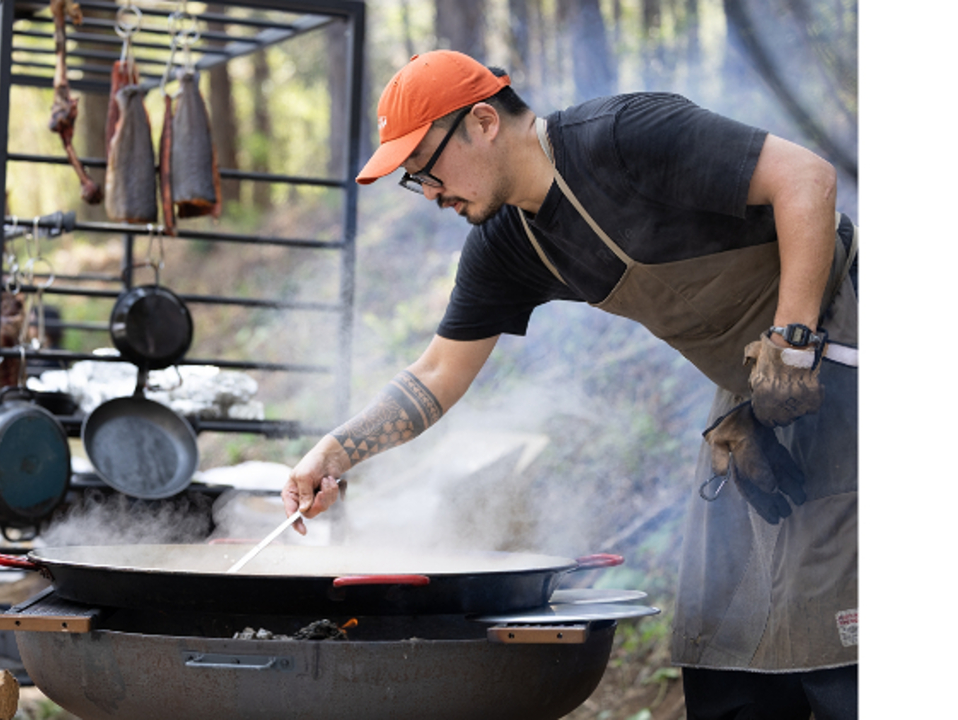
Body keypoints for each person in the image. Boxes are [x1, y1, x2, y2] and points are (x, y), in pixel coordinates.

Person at [281, 50, 857, 719]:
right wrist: (334, 452)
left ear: (483, 121)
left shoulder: (626, 135)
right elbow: (438, 373)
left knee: (840, 628)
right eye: (415, 181)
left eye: (426, 169)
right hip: (753, 392)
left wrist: (792, 342)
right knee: (723, 631)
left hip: (845, 337)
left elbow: (807, 179)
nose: (430, 192)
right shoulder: (506, 245)